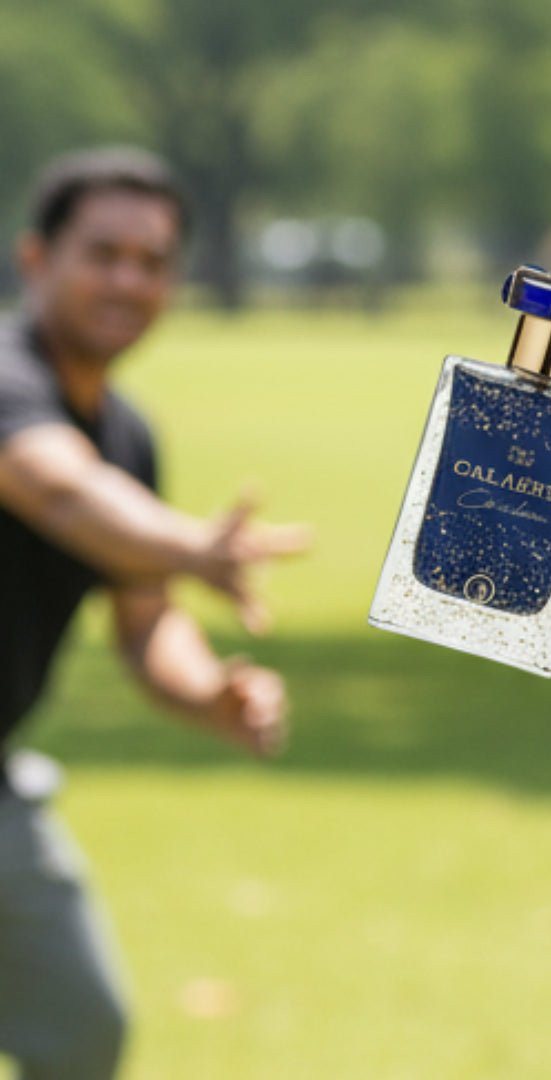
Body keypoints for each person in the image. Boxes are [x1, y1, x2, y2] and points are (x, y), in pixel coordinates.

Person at [0, 147, 310, 1079]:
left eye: (153, 261)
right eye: (104, 253)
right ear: (35, 260)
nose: (129, 280)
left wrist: (207, 690)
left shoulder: (127, 432)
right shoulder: (7, 380)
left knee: (83, 1028)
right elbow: (55, 491)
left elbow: (144, 621)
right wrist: (191, 546)